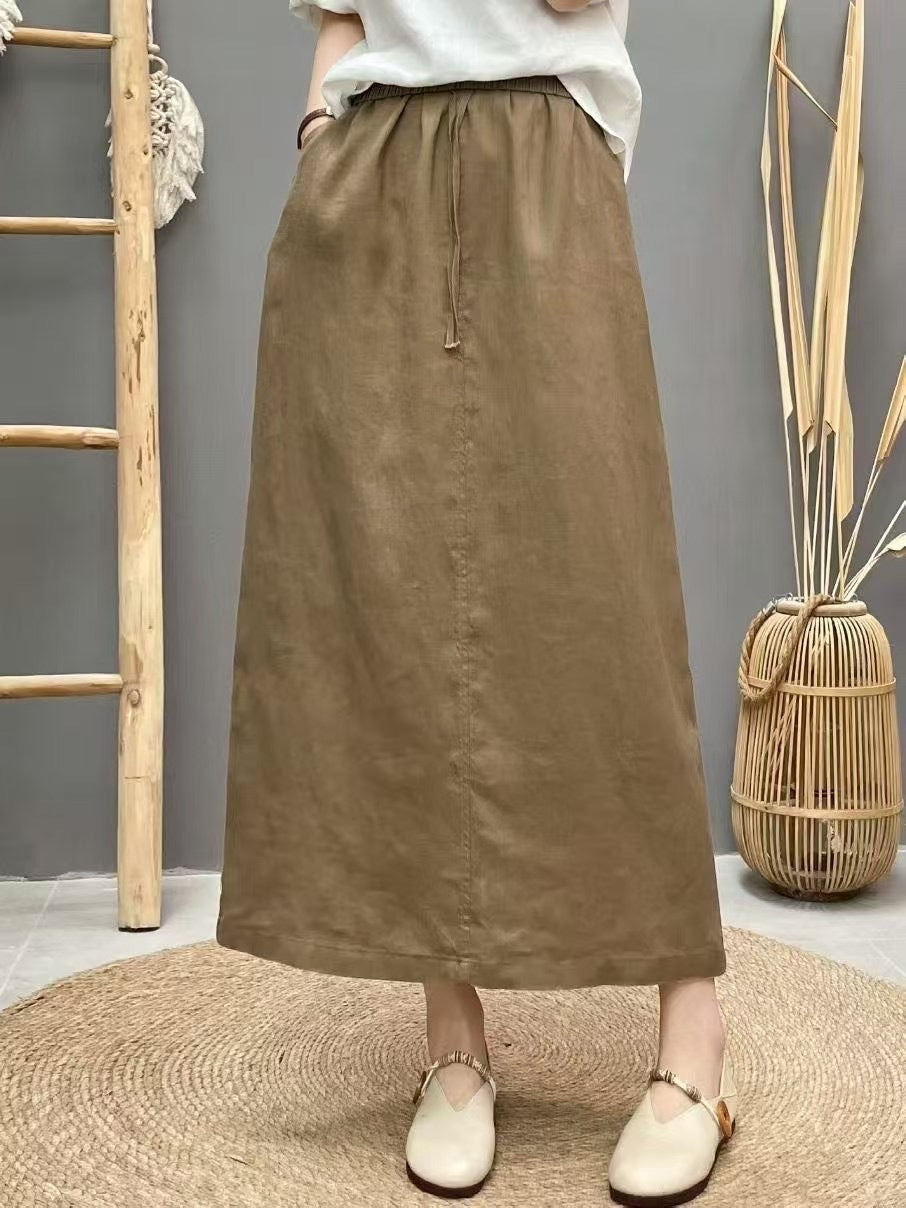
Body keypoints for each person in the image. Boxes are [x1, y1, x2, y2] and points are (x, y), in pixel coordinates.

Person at [216, 1, 739, 1203]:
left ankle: (695, 1036)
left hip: (546, 166)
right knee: (391, 603)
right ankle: (451, 1037)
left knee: (605, 606)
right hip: (367, 184)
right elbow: (344, 18)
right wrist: (318, 138)